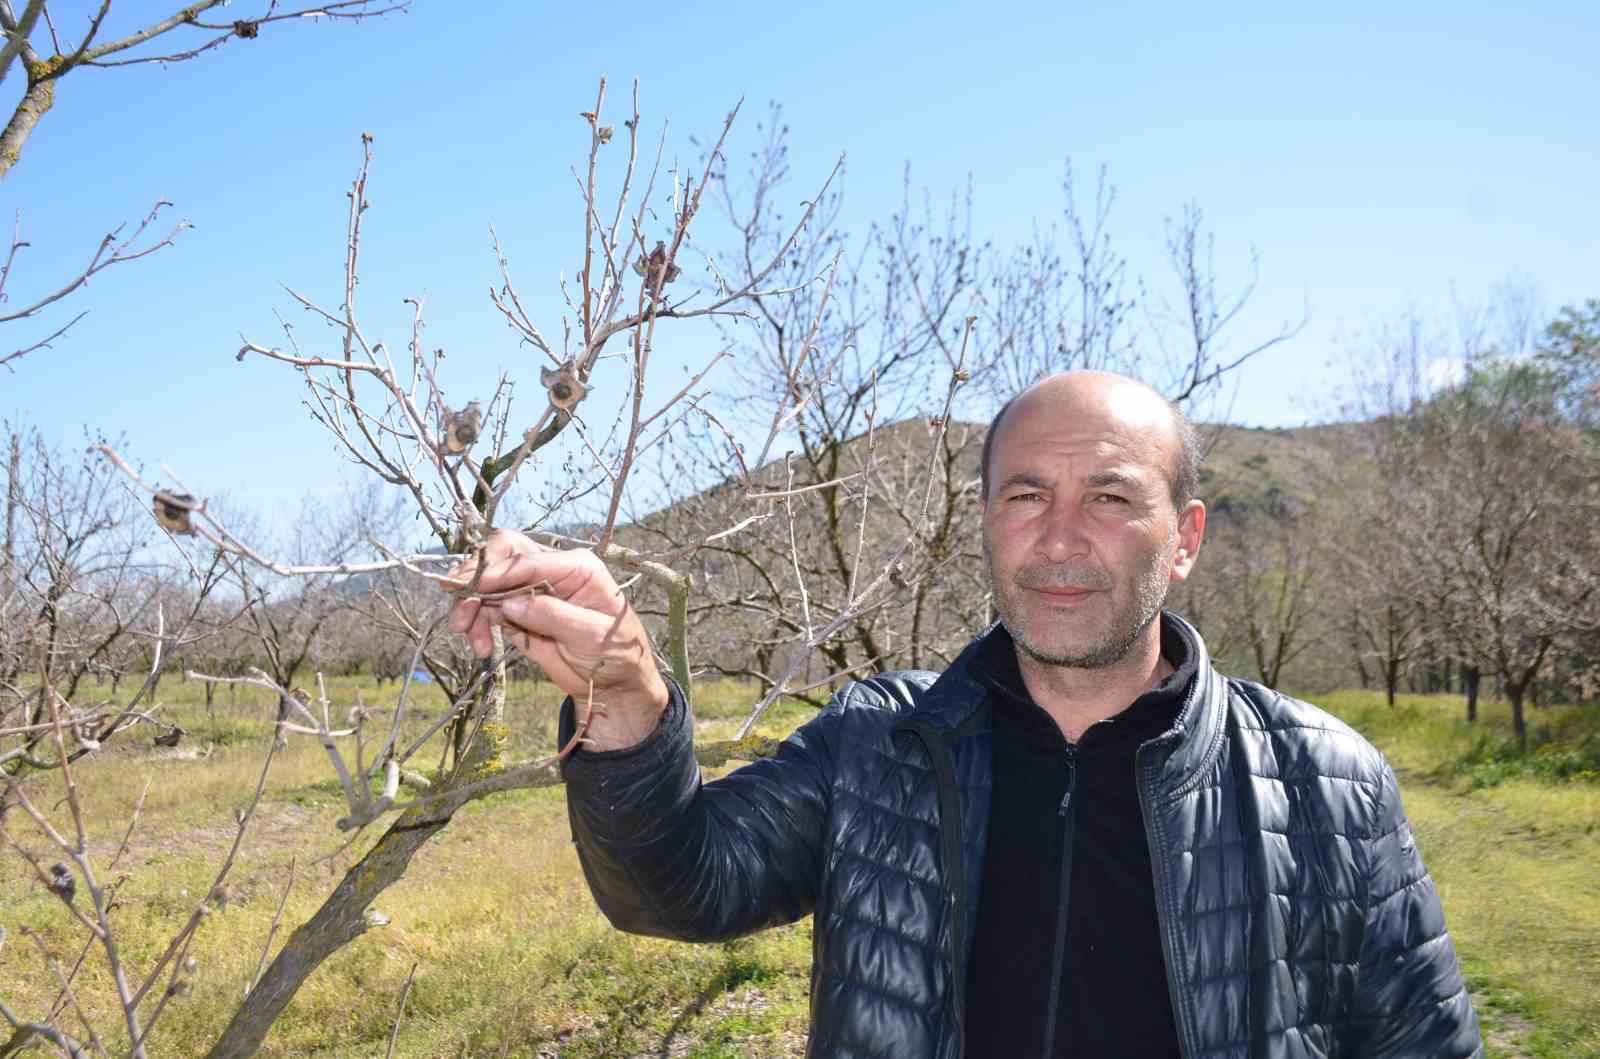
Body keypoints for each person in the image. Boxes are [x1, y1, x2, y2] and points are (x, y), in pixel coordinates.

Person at [447, 371, 1482, 1059]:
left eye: (1112, 499)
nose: (1061, 538)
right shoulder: (877, 745)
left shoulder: (1323, 779)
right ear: (986, 521)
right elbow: (678, 891)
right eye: (1026, 496)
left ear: (1185, 538)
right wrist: (628, 702)